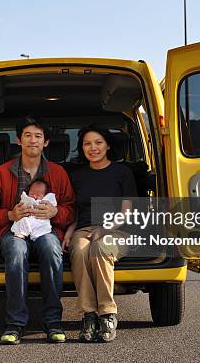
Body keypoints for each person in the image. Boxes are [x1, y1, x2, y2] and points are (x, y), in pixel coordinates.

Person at [0, 116, 75, 345]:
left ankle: (53, 322)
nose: (33, 140)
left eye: (38, 136)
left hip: (47, 231)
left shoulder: (58, 173)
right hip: (12, 231)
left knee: (52, 249)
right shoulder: (1, 173)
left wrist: (55, 213)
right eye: (28, 136)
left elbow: (71, 209)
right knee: (16, 250)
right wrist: (9, 215)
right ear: (18, 140)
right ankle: (15, 324)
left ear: (46, 143)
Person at [61, 125, 137, 343]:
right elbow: (76, 211)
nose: (93, 148)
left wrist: (105, 229)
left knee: (100, 249)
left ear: (107, 145)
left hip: (117, 230)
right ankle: (89, 315)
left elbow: (126, 212)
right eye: (87, 144)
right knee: (79, 250)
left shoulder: (123, 172)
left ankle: (107, 313)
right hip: (84, 229)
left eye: (98, 142)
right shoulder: (77, 176)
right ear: (82, 148)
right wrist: (69, 232)